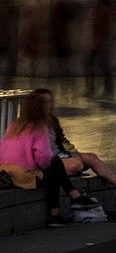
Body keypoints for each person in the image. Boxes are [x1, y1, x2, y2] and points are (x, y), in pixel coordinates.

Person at [1, 91, 90, 227]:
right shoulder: (39, 127)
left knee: (53, 166)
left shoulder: (15, 125)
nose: (51, 106)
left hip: (6, 172)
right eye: (48, 103)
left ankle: (67, 203)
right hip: (24, 176)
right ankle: (68, 202)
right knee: (54, 165)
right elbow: (44, 158)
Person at [40, 88, 116, 193]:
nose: (48, 105)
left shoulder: (52, 120)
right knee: (77, 165)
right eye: (45, 102)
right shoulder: (30, 124)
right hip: (48, 162)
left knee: (91, 157)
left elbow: (63, 141)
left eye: (50, 101)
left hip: (62, 155)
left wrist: (74, 152)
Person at [83, 0, 116, 98]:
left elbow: (102, 26)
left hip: (101, 41)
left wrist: (96, 41)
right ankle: (102, 90)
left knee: (97, 65)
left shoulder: (103, 6)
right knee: (101, 65)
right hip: (101, 41)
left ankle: (98, 90)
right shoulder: (105, 6)